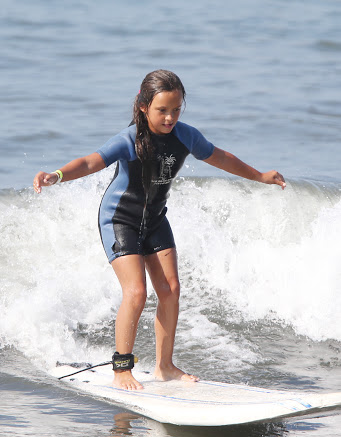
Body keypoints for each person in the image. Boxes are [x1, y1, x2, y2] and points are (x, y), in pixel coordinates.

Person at [33, 69, 286, 391]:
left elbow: (220, 157)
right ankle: (122, 368)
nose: (170, 117)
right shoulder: (128, 140)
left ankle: (165, 366)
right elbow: (89, 162)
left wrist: (260, 176)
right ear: (143, 106)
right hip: (119, 218)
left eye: (176, 109)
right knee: (137, 292)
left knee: (170, 290)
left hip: (154, 217)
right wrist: (55, 175)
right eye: (162, 110)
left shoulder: (186, 135)